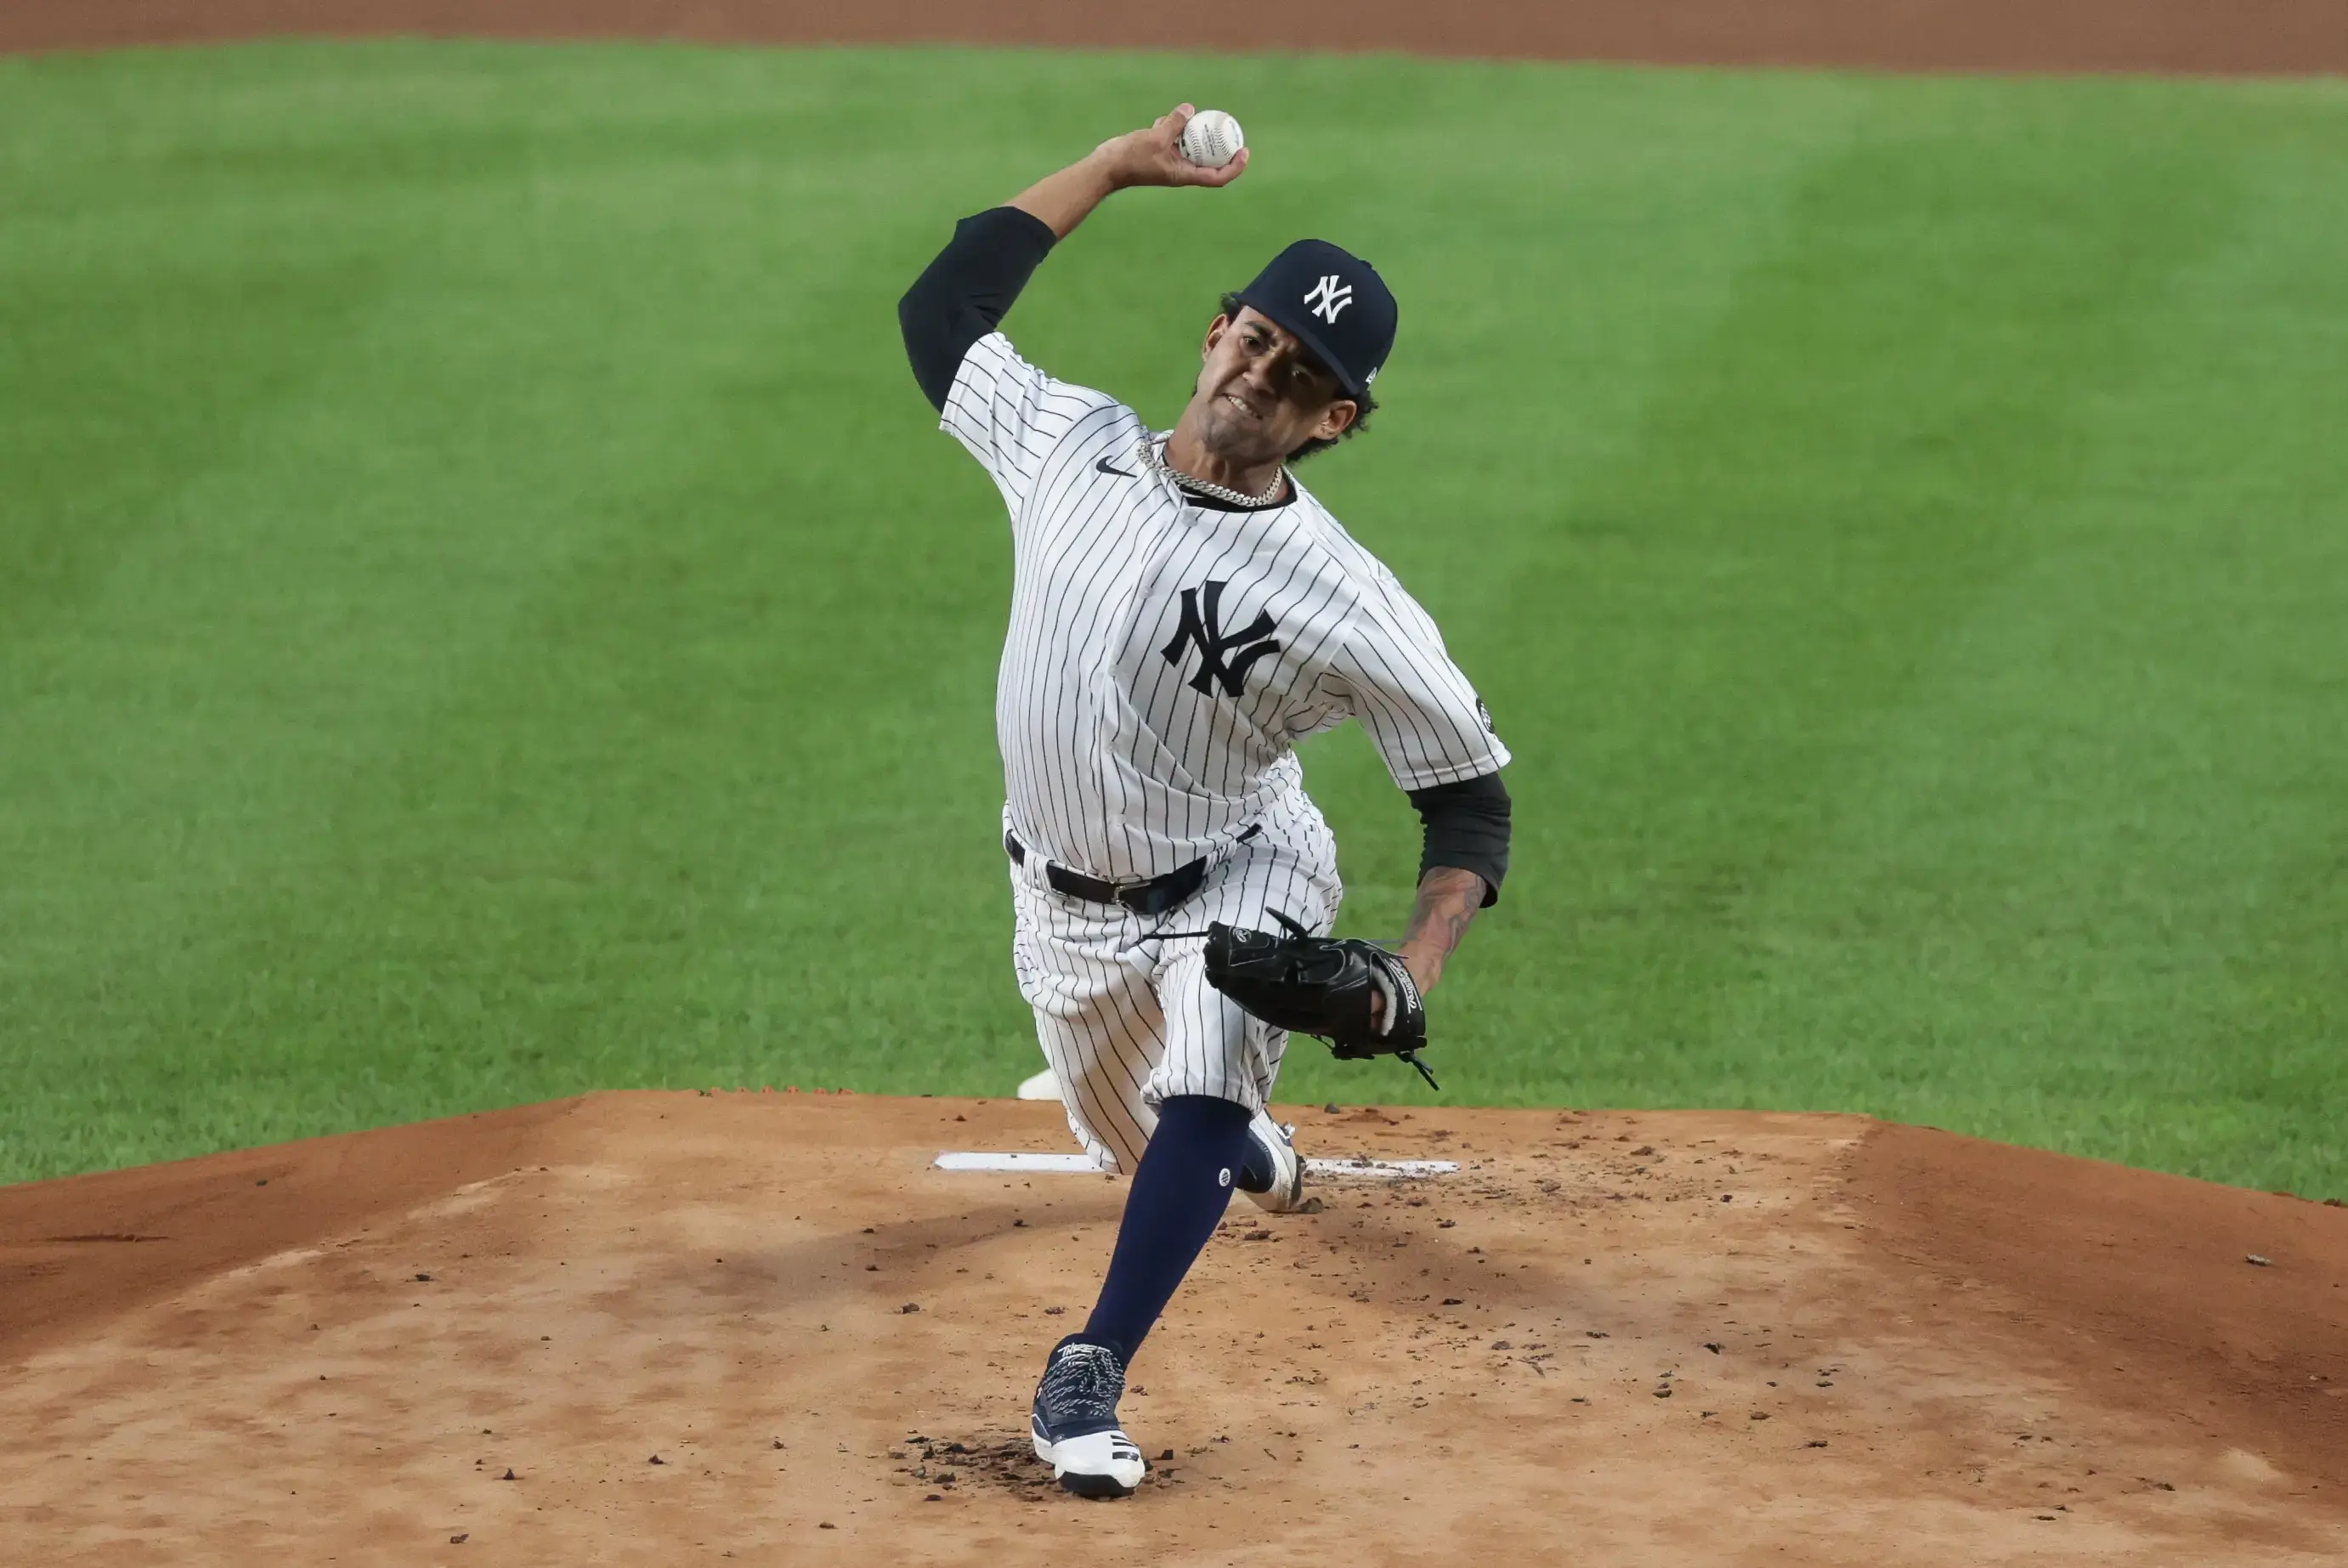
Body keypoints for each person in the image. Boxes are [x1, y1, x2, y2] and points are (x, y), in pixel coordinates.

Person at [897, 105, 1513, 1497]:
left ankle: (1086, 1372)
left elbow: (1470, 804)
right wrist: (1114, 165)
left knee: (1210, 1051)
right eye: (1253, 338)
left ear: (1331, 419)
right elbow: (943, 305)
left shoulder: (1344, 597)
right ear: (1215, 331)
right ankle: (1247, 1149)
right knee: (1151, 1138)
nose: (1259, 375)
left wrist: (1414, 971)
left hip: (1240, 875)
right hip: (1058, 912)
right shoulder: (1066, 445)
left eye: (1298, 375)